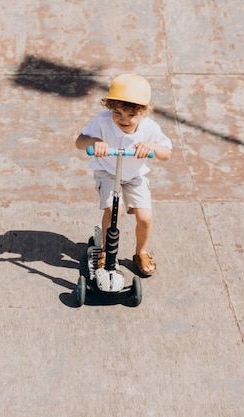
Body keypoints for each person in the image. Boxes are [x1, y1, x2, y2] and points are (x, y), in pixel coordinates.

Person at [75, 73, 172, 276]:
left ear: (143, 112)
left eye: (131, 115)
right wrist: (94, 143)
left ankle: (141, 252)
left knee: (145, 218)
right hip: (108, 171)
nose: (123, 120)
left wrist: (151, 146)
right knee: (113, 212)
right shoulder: (102, 121)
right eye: (117, 113)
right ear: (110, 107)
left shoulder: (149, 128)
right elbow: (80, 142)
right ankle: (104, 252)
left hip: (135, 175)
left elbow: (166, 154)